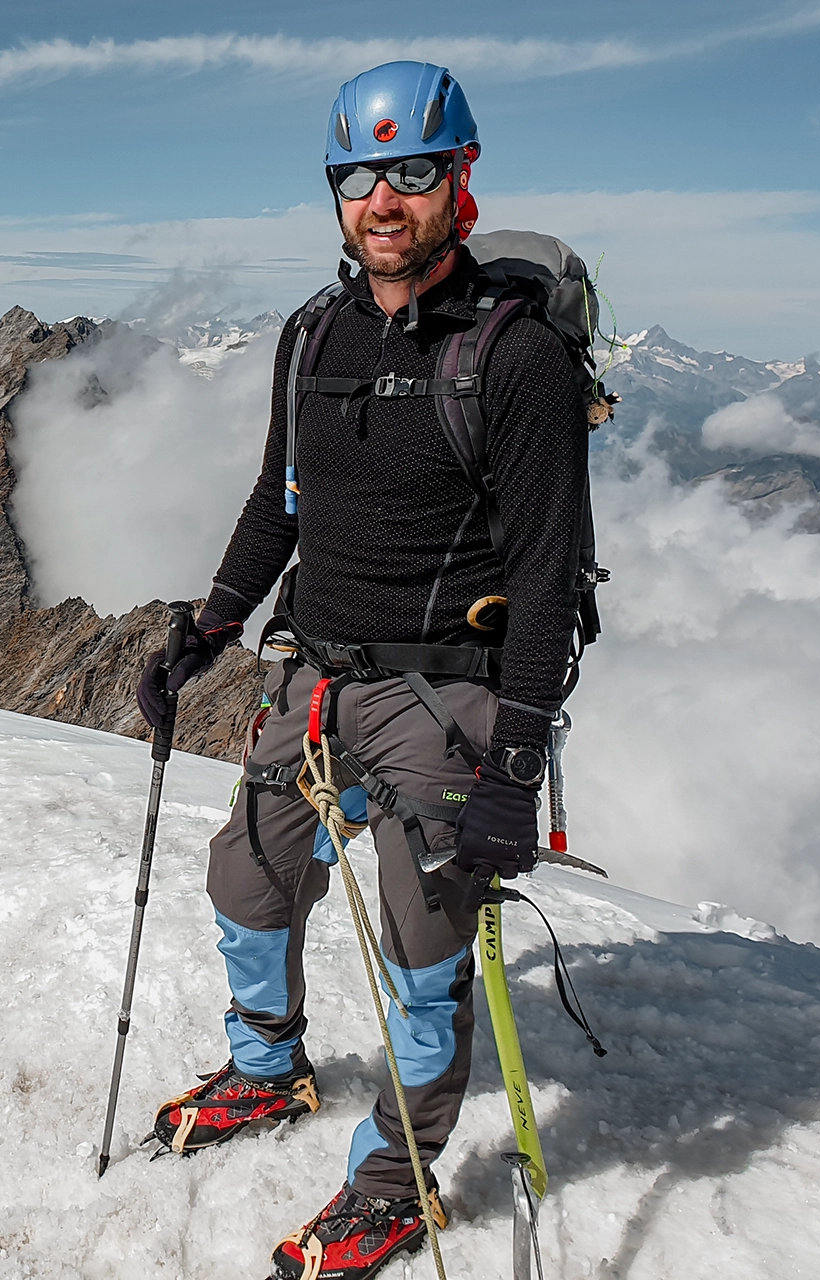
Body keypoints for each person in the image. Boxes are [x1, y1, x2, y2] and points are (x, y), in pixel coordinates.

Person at [134, 61, 589, 1279]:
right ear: (335, 194)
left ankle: (395, 1180)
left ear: (462, 179)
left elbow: (547, 578)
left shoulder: (519, 358)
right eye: (357, 176)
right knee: (247, 881)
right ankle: (268, 1067)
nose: (382, 198)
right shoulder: (309, 336)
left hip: (443, 702)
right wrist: (211, 626)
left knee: (422, 954)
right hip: (312, 680)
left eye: (413, 170)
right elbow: (279, 505)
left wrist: (516, 765)